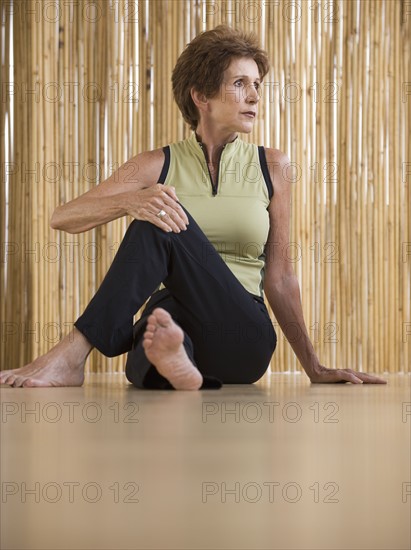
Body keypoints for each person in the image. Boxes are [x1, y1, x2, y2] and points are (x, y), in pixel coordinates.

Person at [0, 25, 386, 389]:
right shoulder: (156, 164)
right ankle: (181, 369)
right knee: (154, 333)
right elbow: (62, 217)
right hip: (173, 319)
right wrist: (128, 200)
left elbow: (280, 278)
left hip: (242, 333)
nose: (254, 96)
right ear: (200, 96)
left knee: (159, 219)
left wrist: (314, 367)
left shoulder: (272, 167)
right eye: (239, 84)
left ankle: (73, 355)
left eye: (256, 85)